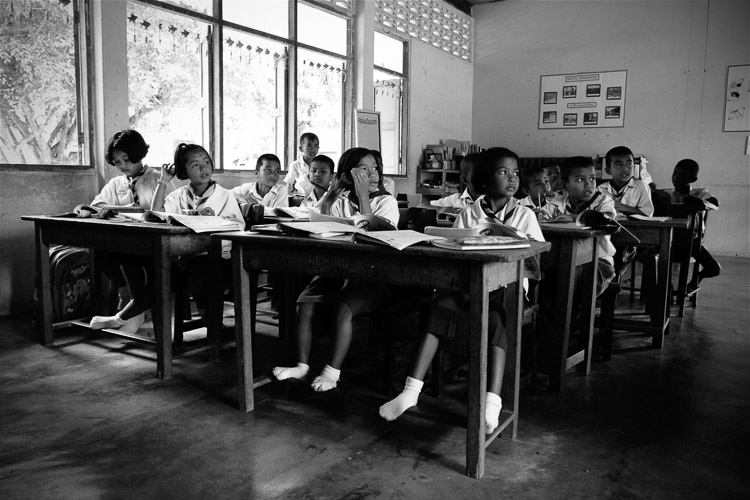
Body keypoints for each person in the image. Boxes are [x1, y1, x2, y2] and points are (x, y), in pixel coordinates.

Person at [379, 147, 544, 434]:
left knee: (496, 319)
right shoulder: (469, 213)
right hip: (470, 286)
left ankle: (492, 403)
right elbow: (455, 251)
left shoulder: (524, 214)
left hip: (508, 288)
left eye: (516, 173)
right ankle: (410, 392)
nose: (512, 178)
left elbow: (535, 257)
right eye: (503, 172)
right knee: (438, 308)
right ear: (484, 179)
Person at [272, 148, 399, 392]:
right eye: (363, 169)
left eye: (375, 168)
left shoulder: (386, 202)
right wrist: (330, 198)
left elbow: (375, 238)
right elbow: (323, 229)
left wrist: (363, 197)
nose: (372, 174)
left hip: (373, 275)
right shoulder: (340, 200)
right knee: (305, 302)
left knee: (343, 307)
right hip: (338, 270)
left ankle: (332, 372)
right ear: (348, 174)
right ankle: (301, 365)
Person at [88, 129, 175, 333]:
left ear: (138, 154)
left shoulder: (157, 179)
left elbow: (171, 212)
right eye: (117, 161)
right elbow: (97, 205)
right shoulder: (116, 183)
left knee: (145, 265)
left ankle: (130, 313)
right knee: (104, 255)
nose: (122, 166)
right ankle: (130, 305)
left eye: (126, 159)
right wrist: (119, 209)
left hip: (155, 244)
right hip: (127, 245)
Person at [151, 143, 244, 319]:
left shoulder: (225, 195)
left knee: (196, 271)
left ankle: (209, 317)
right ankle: (125, 316)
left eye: (206, 162)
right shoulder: (179, 196)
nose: (203, 168)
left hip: (219, 257)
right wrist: (163, 181)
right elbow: (156, 213)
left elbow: (238, 227)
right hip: (187, 256)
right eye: (195, 165)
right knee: (164, 272)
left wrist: (214, 220)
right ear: (184, 171)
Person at [541, 156, 617, 296]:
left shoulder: (603, 201)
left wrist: (575, 218)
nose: (589, 185)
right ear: (564, 186)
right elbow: (541, 219)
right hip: (562, 259)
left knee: (579, 281)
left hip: (599, 261)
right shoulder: (557, 204)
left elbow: (607, 218)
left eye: (592, 178)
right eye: (580, 180)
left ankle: (572, 309)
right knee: (547, 276)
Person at [665, 159, 721, 290]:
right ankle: (667, 288)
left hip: (693, 242)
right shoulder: (667, 194)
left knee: (714, 269)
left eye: (682, 175)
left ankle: (695, 281)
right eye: (675, 173)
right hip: (670, 241)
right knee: (657, 261)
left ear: (693, 179)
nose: (676, 178)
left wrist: (695, 201)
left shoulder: (700, 192)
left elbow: (714, 204)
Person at [597, 146, 654, 216]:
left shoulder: (641, 187)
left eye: (629, 164)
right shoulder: (600, 189)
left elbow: (648, 214)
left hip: (633, 223)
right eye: (619, 165)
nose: (625, 168)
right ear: (608, 171)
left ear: (634, 167)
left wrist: (626, 208)